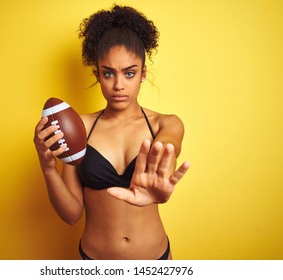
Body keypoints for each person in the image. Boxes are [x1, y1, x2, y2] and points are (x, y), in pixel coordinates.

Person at [34, 5, 190, 260]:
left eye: (129, 73)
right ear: (98, 74)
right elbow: (72, 214)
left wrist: (161, 177)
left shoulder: (165, 124)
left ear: (142, 74)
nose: (119, 85)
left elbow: (167, 150)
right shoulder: (80, 128)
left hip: (156, 261)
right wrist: (48, 167)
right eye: (109, 73)